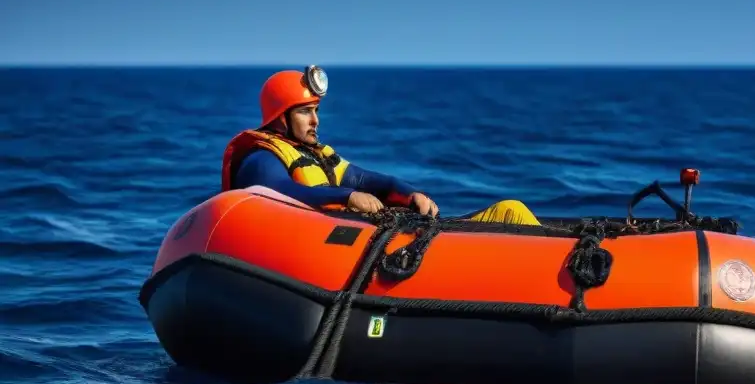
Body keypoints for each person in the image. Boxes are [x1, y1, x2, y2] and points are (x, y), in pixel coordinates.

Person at [220, 66, 541, 226]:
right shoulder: (260, 159)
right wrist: (347, 197)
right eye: (305, 112)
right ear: (279, 118)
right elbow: (281, 192)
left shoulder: (319, 157)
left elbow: (364, 180)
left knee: (511, 211)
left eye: (316, 111)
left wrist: (409, 193)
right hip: (323, 257)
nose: (315, 121)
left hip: (375, 237)